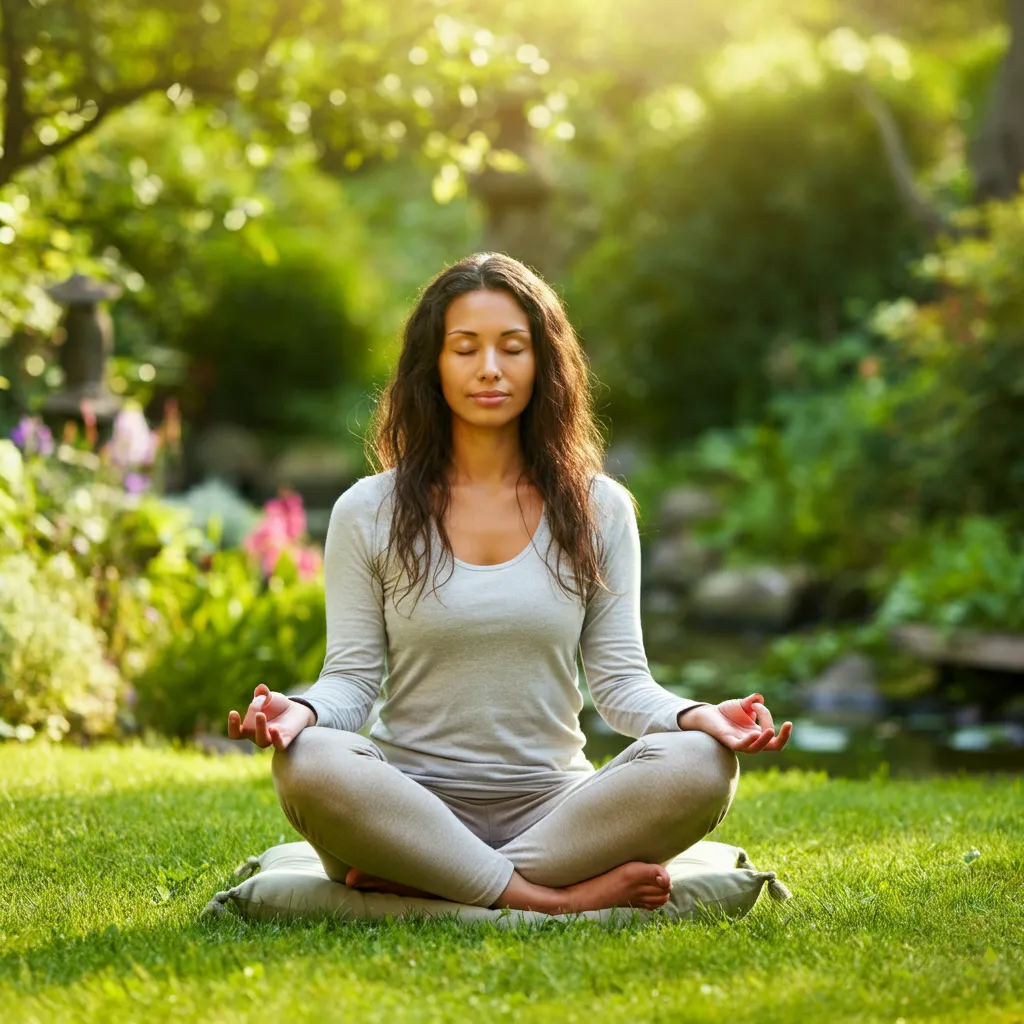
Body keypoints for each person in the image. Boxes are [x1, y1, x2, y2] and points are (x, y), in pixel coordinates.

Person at [228, 252, 792, 916]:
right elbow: (352, 682)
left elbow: (620, 685)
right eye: (465, 348)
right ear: (431, 366)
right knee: (309, 761)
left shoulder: (599, 508)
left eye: (512, 348)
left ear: (543, 363)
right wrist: (303, 712)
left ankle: (437, 885)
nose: (489, 368)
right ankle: (551, 899)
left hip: (557, 817)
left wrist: (699, 717)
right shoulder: (368, 510)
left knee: (702, 764)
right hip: (408, 809)